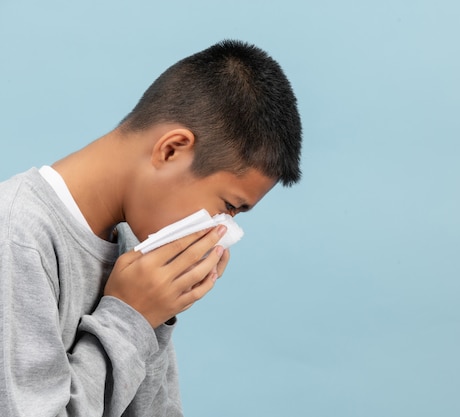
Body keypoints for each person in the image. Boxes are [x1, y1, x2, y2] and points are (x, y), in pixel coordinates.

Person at [0, 39, 302, 416]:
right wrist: (131, 319)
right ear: (172, 149)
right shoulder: (16, 235)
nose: (222, 229)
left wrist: (156, 315)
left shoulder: (133, 252)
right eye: (228, 207)